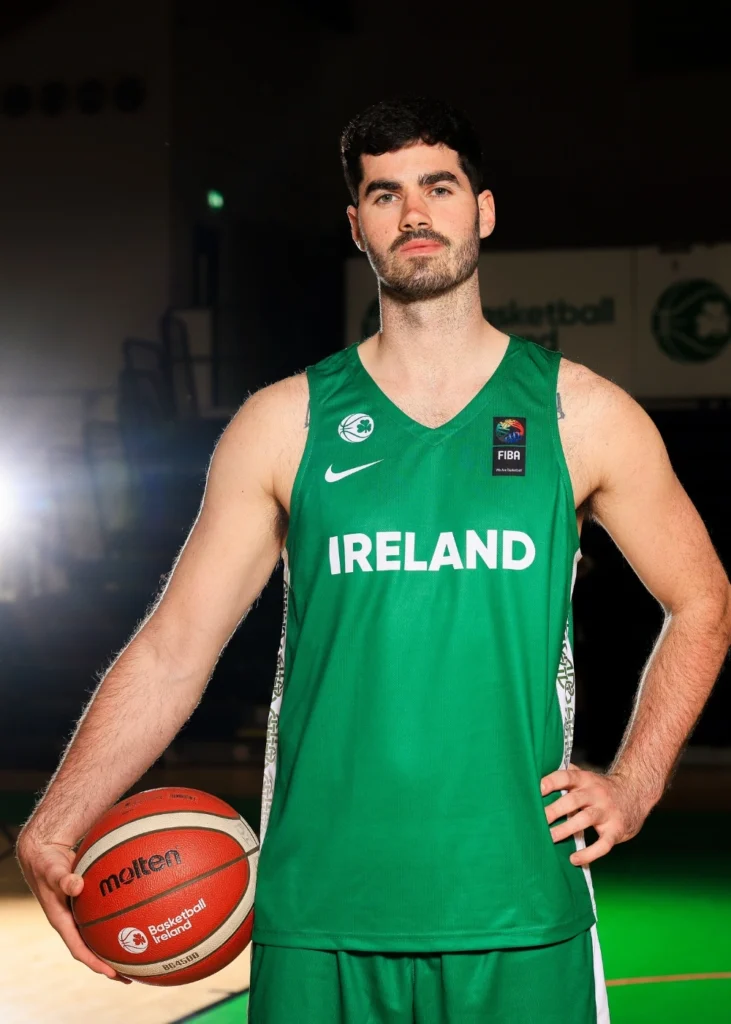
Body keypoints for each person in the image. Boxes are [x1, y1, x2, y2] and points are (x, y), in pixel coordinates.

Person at [17, 96, 731, 1023]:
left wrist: (635, 782)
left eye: (439, 187)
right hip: (318, 914)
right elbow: (172, 651)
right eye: (385, 195)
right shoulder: (285, 423)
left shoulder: (581, 414)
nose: (414, 213)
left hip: (516, 906)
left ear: (483, 210)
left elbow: (702, 600)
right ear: (357, 225)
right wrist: (58, 817)